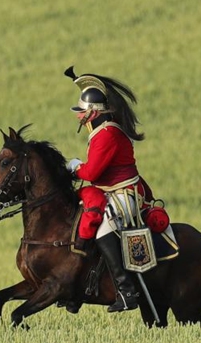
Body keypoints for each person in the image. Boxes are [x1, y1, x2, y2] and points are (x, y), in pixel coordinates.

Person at [63, 66, 155, 313]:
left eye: (81, 111)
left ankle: (126, 292)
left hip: (124, 194)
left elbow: (92, 173)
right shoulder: (102, 132)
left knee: (104, 229)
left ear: (93, 113)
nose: (78, 116)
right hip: (109, 191)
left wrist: (75, 167)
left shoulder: (108, 135)